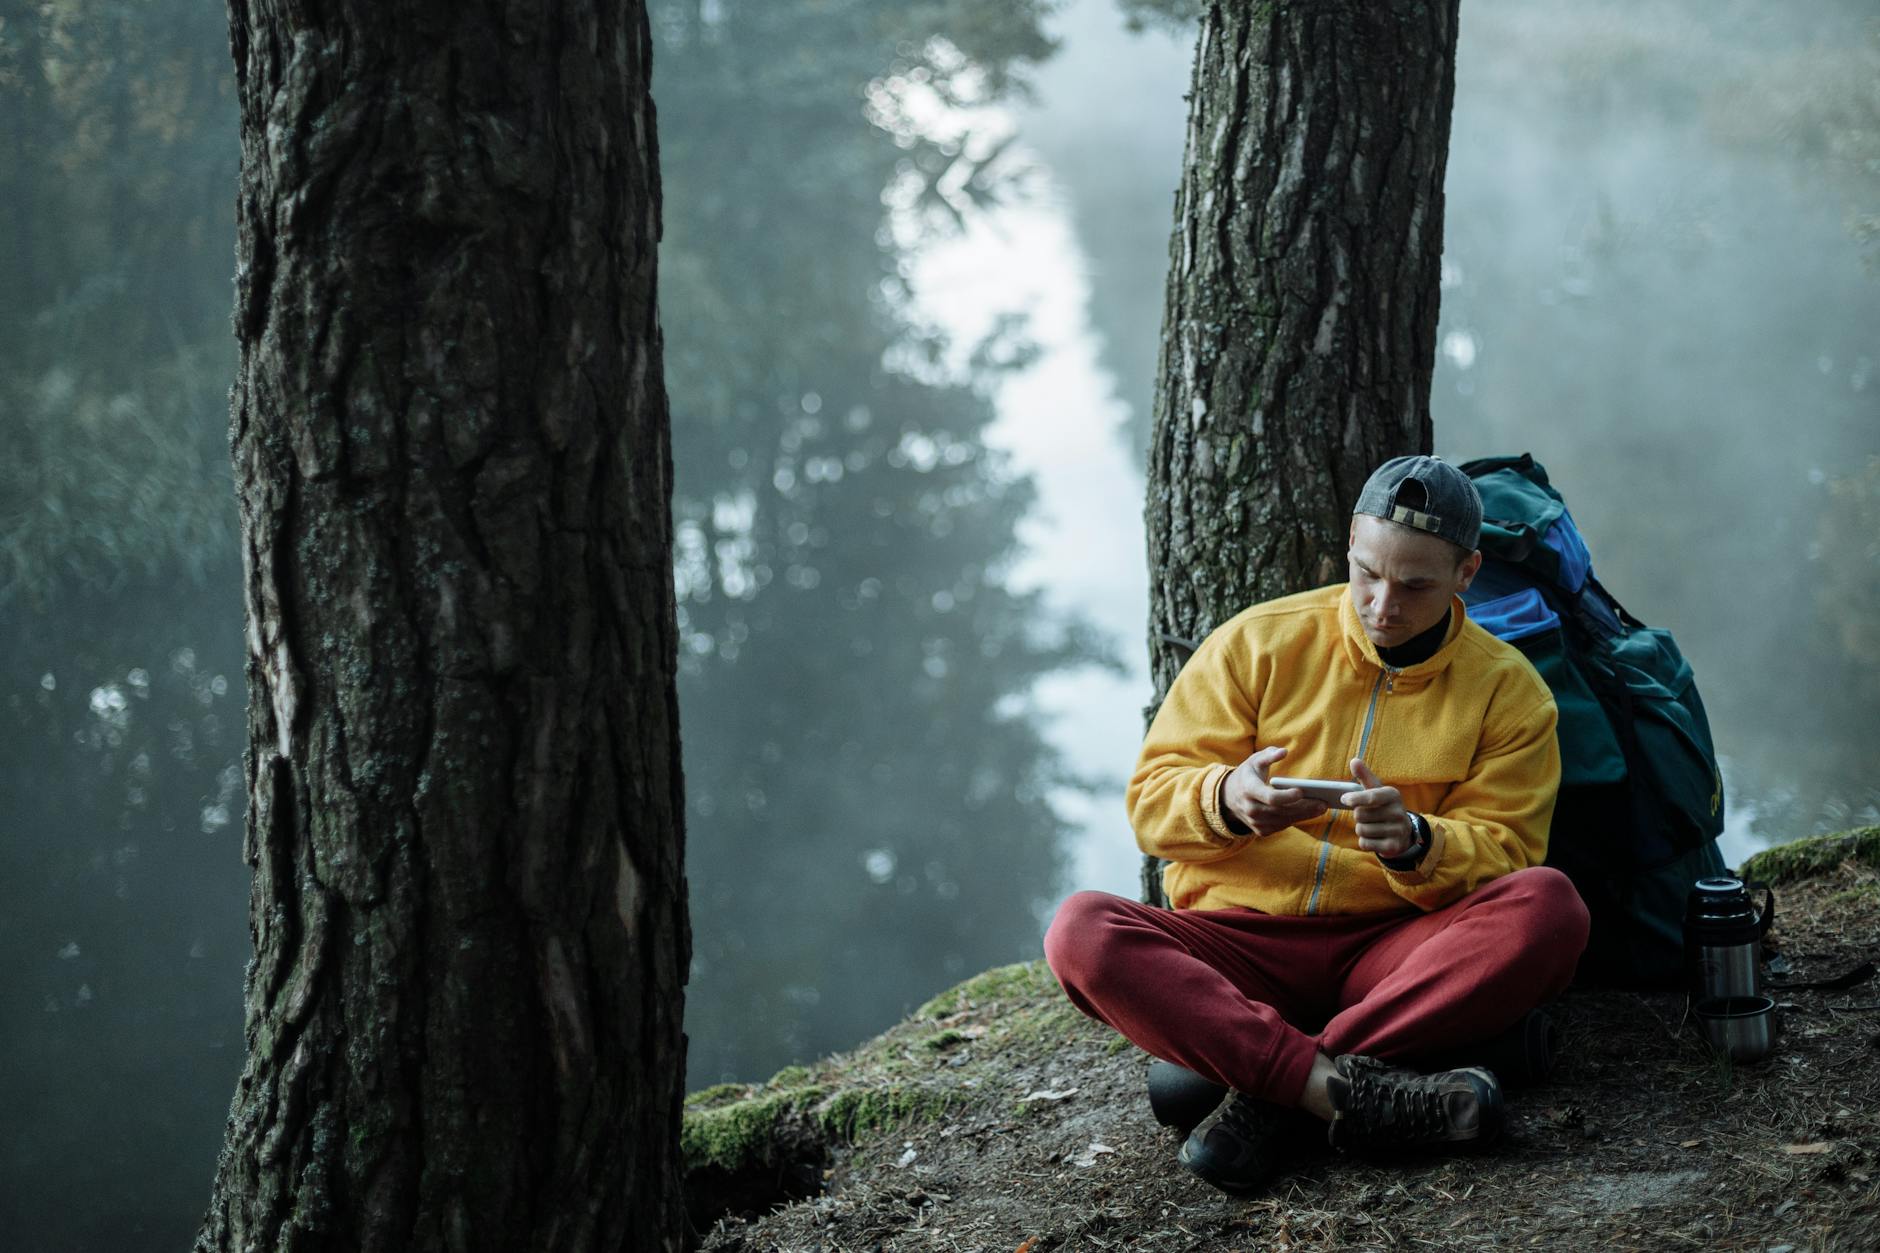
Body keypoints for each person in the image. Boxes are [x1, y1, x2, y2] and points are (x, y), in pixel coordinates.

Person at [1043, 454, 1591, 1196]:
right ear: (1349, 553)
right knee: (1079, 929)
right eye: (1368, 573)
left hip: (1392, 947)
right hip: (1243, 937)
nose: (1383, 605)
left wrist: (1419, 842)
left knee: (1550, 909)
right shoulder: (1257, 641)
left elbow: (1511, 850)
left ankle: (1269, 1083)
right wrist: (1228, 798)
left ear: (1467, 572)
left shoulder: (1510, 692)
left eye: (1415, 584)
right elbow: (1151, 803)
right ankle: (1350, 1088)